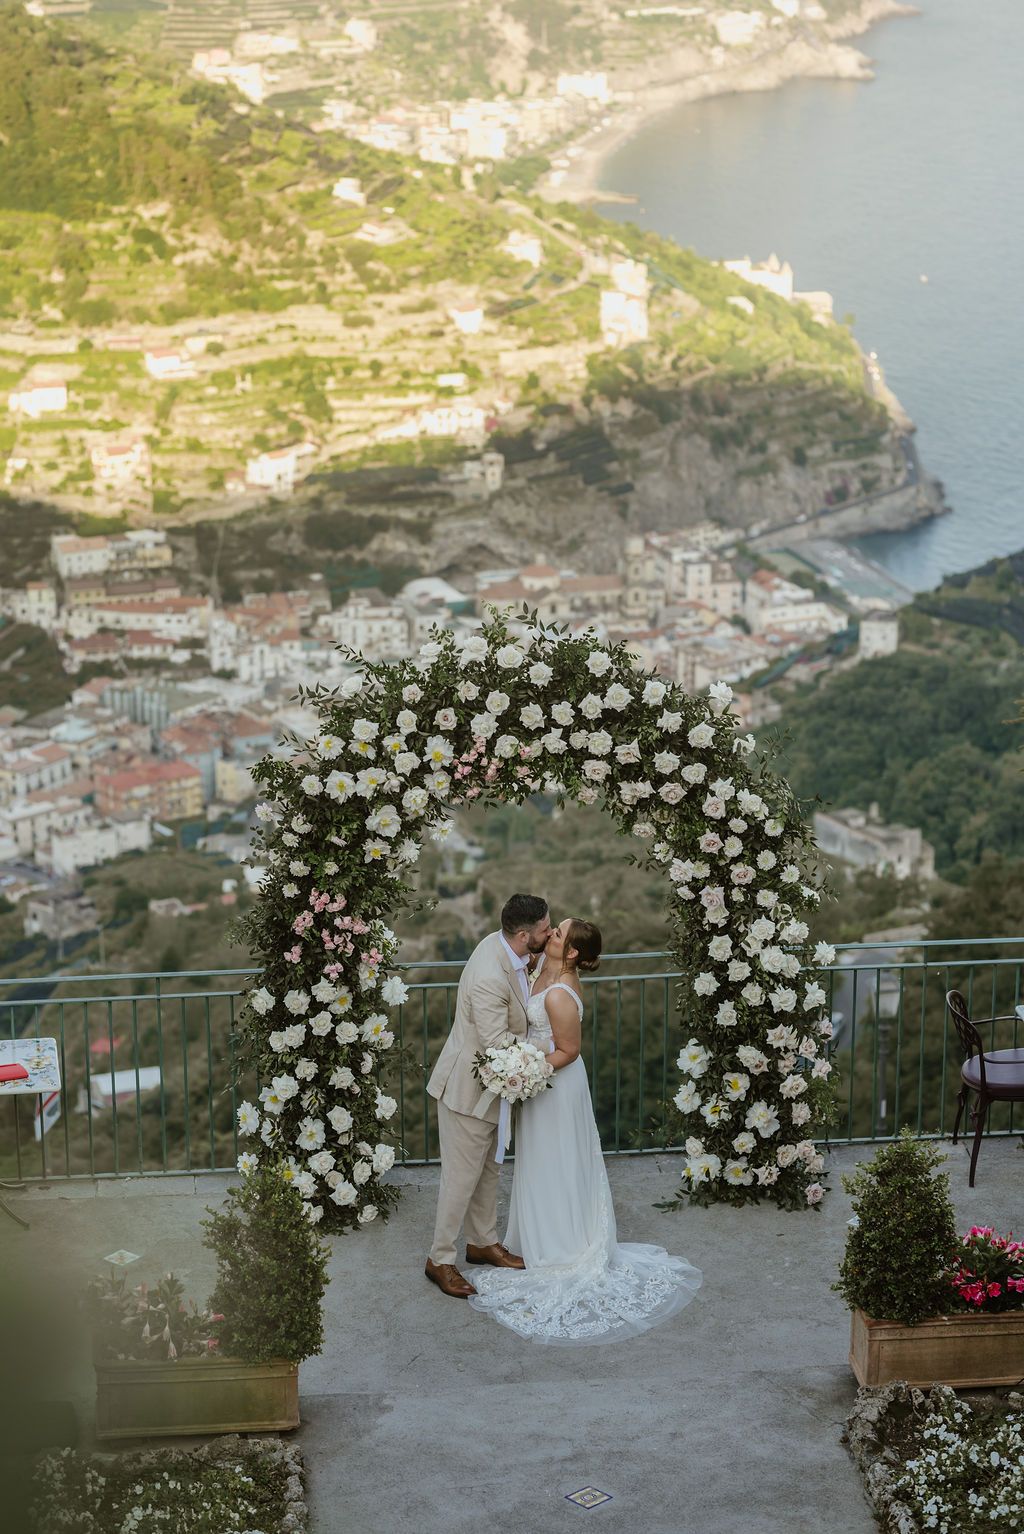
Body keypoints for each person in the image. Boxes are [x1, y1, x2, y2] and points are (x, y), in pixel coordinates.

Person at [467, 917, 702, 1344]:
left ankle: (563, 1247)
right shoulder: (543, 970)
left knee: (558, 1160)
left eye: (557, 933)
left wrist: (523, 1070)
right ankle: (539, 1236)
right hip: (540, 1085)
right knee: (539, 1161)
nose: (550, 934)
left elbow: (570, 1052)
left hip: (556, 1086)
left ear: (572, 951)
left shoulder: (559, 993)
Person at [424, 893, 553, 1298]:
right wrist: (549, 1046)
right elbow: (496, 1042)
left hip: (495, 1090)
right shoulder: (488, 976)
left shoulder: (505, 949)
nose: (550, 935)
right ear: (523, 934)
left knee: (489, 1170)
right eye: (545, 930)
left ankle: (482, 1242)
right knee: (460, 1180)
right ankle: (439, 1259)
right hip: (468, 1091)